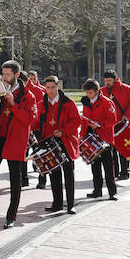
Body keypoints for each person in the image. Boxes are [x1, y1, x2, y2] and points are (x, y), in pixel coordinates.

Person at [0, 60, 37, 229]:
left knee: (14, 180)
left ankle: (11, 216)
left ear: (17, 75)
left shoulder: (28, 96)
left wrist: (13, 103)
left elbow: (29, 120)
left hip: (15, 141)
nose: (5, 77)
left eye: (8, 74)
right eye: (3, 74)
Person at [39, 76, 81, 214]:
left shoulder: (68, 103)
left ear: (58, 86)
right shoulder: (42, 103)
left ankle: (70, 204)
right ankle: (57, 203)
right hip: (49, 141)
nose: (50, 91)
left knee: (68, 174)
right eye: (48, 88)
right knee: (54, 174)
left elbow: (76, 121)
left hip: (65, 141)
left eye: (53, 87)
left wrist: (63, 131)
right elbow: (38, 122)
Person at [81, 78, 118, 201]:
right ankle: (97, 191)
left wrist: (99, 125)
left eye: (90, 92)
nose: (88, 95)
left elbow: (113, 119)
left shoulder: (107, 102)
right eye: (87, 92)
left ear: (97, 91)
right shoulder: (86, 103)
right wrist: (82, 137)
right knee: (95, 167)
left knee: (108, 167)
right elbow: (84, 121)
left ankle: (112, 192)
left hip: (105, 138)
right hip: (91, 139)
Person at [102, 70, 130, 180]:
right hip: (109, 126)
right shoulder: (102, 91)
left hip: (123, 125)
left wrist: (127, 115)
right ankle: (114, 172)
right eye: (105, 81)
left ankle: (125, 170)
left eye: (109, 80)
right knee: (111, 150)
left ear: (115, 79)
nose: (107, 83)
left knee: (124, 148)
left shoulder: (126, 89)